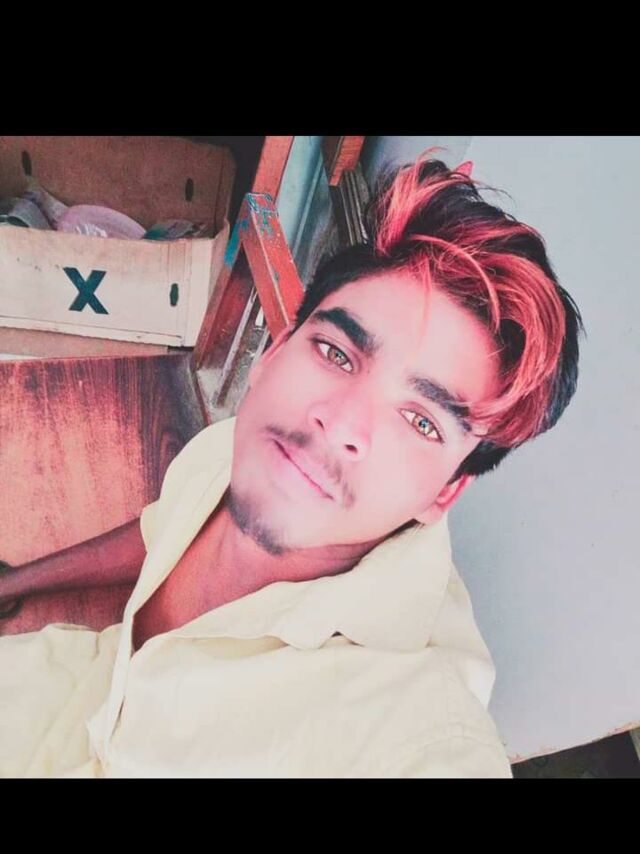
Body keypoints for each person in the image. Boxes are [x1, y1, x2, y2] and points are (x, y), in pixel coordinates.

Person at [0, 151, 583, 778]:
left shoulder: (411, 728)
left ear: (443, 495)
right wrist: (17, 582)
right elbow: (163, 529)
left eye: (421, 422)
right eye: (336, 353)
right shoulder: (231, 451)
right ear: (274, 354)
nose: (342, 424)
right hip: (78, 692)